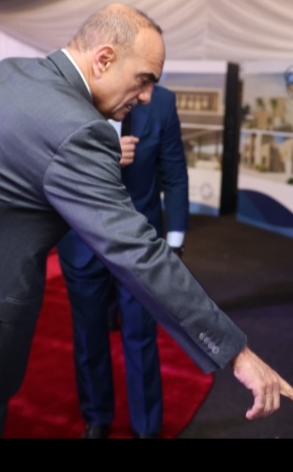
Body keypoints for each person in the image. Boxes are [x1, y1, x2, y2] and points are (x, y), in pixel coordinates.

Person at [0, 3, 293, 438]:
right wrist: (236, 353)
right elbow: (137, 252)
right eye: (144, 79)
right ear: (104, 59)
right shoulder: (78, 129)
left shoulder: (6, 72)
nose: (147, 96)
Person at [57, 84, 188, 439]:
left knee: (141, 333)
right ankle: (96, 418)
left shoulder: (161, 103)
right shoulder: (69, 94)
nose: (147, 91)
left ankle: (147, 427)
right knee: (89, 335)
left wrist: (175, 245)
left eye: (153, 78)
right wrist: (103, 155)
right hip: (81, 240)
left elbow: (174, 173)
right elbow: (49, 163)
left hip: (139, 243)